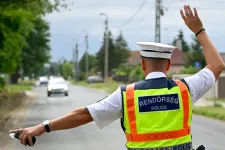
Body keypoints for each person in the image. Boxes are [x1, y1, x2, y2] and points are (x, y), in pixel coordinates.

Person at [10, 5, 225, 150]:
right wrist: (199, 31)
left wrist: (42, 127)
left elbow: (83, 115)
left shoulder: (127, 96)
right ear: (169, 64)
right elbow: (217, 65)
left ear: (142, 64)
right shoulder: (187, 89)